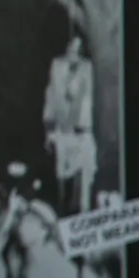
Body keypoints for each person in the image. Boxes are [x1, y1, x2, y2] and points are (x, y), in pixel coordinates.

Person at [43, 34, 96, 217]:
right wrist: (49, 131)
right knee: (61, 176)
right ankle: (61, 210)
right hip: (61, 131)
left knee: (83, 174)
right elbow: (51, 97)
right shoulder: (57, 66)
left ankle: (82, 211)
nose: (72, 52)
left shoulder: (86, 69)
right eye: (70, 48)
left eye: (77, 49)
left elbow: (83, 98)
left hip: (80, 131)